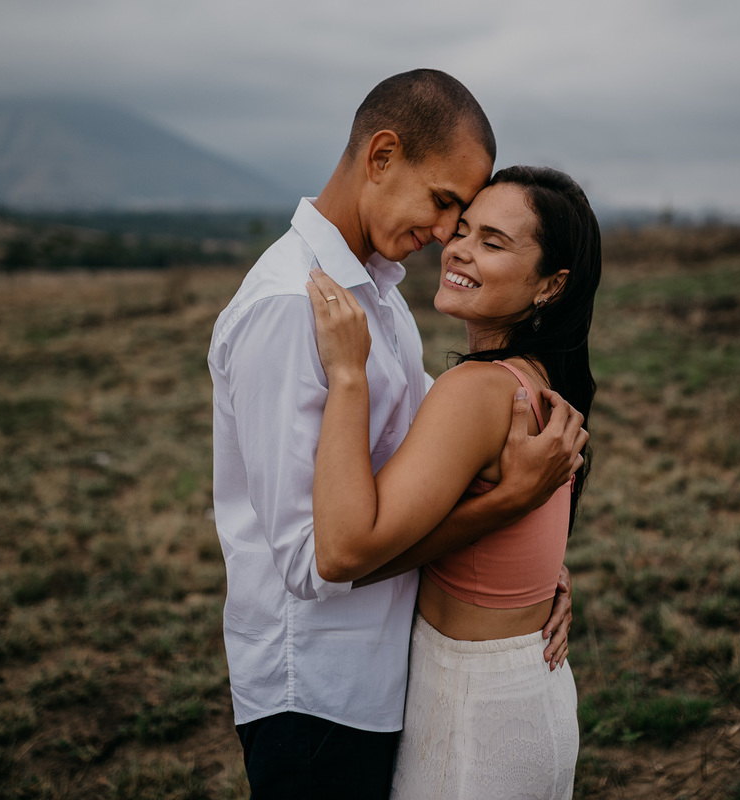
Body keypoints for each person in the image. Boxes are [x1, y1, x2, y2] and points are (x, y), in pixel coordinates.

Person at [207, 70, 585, 800]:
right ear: (381, 156)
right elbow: (315, 562)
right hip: (317, 694)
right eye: (444, 203)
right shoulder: (291, 306)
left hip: (387, 675)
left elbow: (432, 466)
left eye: (464, 217)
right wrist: (504, 506)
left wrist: (527, 574)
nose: (447, 234)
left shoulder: (378, 293)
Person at [306, 164, 601, 799]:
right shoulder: (536, 378)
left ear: (551, 285)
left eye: (493, 242)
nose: (459, 248)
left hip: (474, 707)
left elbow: (344, 553)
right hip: (527, 689)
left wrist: (348, 376)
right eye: (462, 229)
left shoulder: (476, 390)